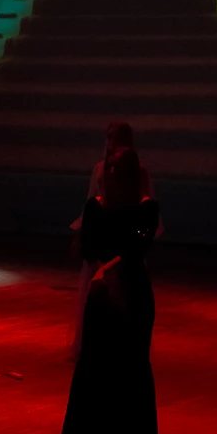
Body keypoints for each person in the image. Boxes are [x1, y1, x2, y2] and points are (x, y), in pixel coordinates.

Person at [56, 146, 160, 434]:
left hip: (133, 291)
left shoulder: (146, 208)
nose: (111, 175)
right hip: (102, 290)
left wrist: (116, 269)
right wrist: (105, 269)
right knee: (96, 364)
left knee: (130, 366)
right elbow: (89, 245)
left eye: (118, 170)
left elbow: (138, 244)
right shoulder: (95, 207)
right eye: (109, 169)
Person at [69, 122, 156, 358]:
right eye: (108, 138)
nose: (110, 143)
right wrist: (84, 240)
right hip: (102, 257)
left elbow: (140, 239)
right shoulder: (99, 175)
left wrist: (115, 265)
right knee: (94, 302)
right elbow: (90, 212)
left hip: (125, 263)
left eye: (115, 138)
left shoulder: (140, 186)